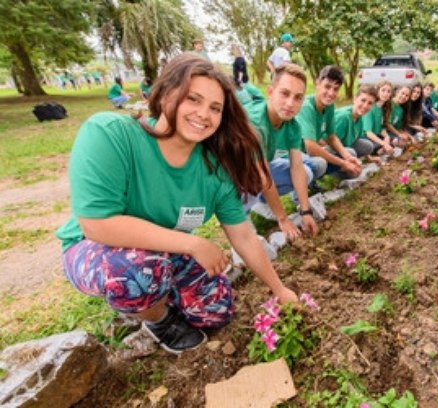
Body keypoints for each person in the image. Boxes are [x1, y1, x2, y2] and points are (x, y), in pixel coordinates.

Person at [55, 53, 298, 355]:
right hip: (93, 247)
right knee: (135, 273)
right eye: (192, 99)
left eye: (215, 108)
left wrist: (279, 289)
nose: (203, 114)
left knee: (217, 311)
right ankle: (157, 319)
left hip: (165, 250)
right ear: (168, 92)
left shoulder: (213, 170)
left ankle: (156, 289)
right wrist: (193, 244)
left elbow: (244, 236)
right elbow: (97, 224)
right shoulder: (111, 134)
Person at [244, 63, 319, 240]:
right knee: (250, 179)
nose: (290, 103)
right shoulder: (255, 122)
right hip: (230, 172)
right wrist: (283, 219)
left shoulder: (292, 125)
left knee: (306, 172)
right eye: (284, 93)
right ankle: (242, 212)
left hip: (260, 168)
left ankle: (261, 202)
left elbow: (297, 168)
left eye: (298, 97)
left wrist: (305, 210)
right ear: (270, 92)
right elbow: (262, 173)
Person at [296, 65, 361, 180]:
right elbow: (311, 147)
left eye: (335, 89)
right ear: (318, 83)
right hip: (295, 153)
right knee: (320, 164)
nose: (331, 93)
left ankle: (321, 179)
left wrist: (347, 157)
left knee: (350, 152)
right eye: (327, 86)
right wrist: (342, 163)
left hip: (309, 153)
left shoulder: (329, 106)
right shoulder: (306, 107)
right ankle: (300, 191)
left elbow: (331, 137)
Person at [333, 84, 378, 162]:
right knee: (351, 153)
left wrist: (370, 158)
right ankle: (338, 169)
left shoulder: (359, 116)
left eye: (370, 103)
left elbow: (357, 138)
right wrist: (346, 156)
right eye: (363, 100)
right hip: (329, 146)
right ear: (355, 99)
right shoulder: (344, 117)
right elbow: (328, 141)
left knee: (368, 146)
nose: (365, 106)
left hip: (344, 144)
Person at [361, 80, 394, 155]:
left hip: (375, 136)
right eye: (383, 90)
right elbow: (368, 132)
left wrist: (387, 137)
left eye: (389, 91)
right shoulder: (371, 107)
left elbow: (380, 128)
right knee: (382, 149)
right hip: (365, 138)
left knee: (392, 142)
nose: (386, 93)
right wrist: (384, 144)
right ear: (377, 91)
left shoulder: (382, 108)